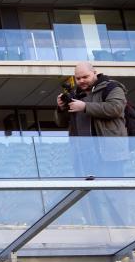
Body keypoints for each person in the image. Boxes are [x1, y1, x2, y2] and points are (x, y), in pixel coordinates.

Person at [55, 61, 129, 223]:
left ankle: (122, 229)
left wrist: (85, 107)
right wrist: (61, 108)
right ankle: (98, 228)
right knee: (90, 197)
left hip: (108, 153)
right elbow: (61, 123)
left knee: (113, 195)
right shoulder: (75, 94)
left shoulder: (112, 87)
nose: (81, 81)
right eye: (78, 78)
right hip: (83, 155)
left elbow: (115, 108)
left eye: (85, 77)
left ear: (95, 73)